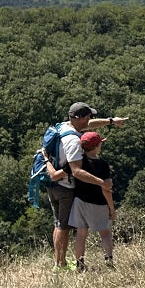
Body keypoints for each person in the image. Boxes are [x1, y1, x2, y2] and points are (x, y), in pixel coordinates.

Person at [46, 102, 128, 270]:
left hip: (53, 184)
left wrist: (111, 121)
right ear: (80, 118)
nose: (90, 119)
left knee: (60, 224)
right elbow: (76, 171)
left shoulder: (63, 127)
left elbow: (88, 125)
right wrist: (102, 183)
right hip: (65, 188)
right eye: (88, 117)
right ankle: (59, 265)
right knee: (64, 227)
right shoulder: (74, 141)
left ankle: (64, 263)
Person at [70, 131, 116, 271]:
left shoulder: (78, 162)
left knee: (81, 233)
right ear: (97, 146)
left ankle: (80, 264)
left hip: (79, 201)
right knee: (105, 233)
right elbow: (106, 189)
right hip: (98, 203)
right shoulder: (102, 165)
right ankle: (109, 262)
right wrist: (111, 209)